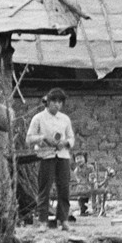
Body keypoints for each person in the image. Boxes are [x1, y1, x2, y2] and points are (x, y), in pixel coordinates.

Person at [26, 88, 76, 230]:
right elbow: (28, 139)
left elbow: (71, 137)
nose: (57, 105)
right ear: (47, 102)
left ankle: (63, 220)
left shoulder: (65, 119)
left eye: (60, 102)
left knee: (64, 188)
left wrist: (65, 143)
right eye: (54, 101)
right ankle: (43, 221)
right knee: (44, 189)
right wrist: (43, 138)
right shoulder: (38, 118)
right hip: (45, 156)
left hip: (63, 155)